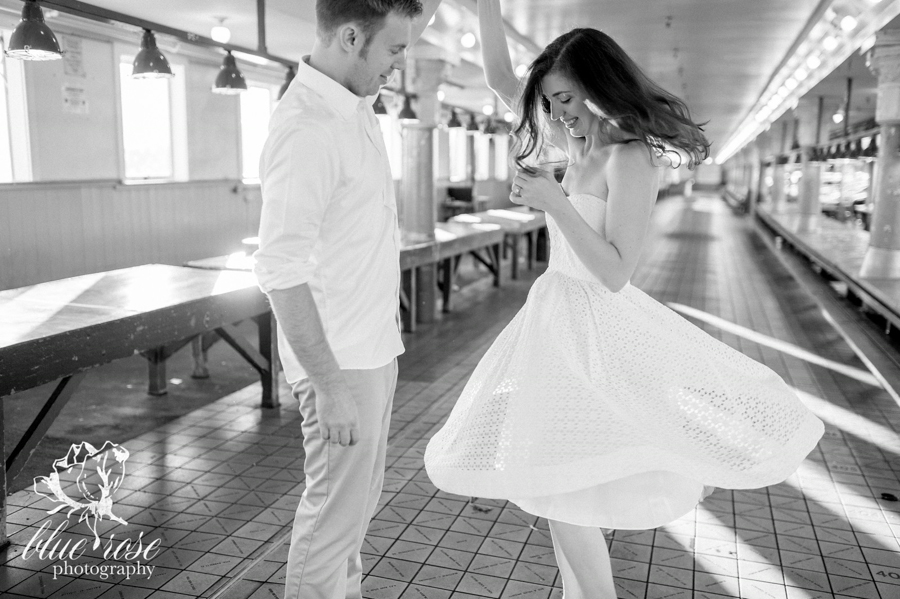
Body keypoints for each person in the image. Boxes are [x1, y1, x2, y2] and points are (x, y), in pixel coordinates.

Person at [423, 1, 825, 598]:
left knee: (565, 489)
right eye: (552, 102)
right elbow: (498, 78)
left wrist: (553, 202)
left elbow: (615, 272)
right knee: (555, 485)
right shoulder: (569, 139)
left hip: (593, 330)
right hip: (551, 325)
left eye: (566, 99)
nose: (557, 114)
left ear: (599, 89)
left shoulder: (631, 158)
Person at [252, 0, 440, 597]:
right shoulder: (308, 127)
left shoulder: (350, 98)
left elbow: (410, 19)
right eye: (393, 51)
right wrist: (330, 387)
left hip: (373, 350)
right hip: (340, 364)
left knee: (353, 517)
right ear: (352, 37)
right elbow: (279, 270)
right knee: (331, 521)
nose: (399, 66)